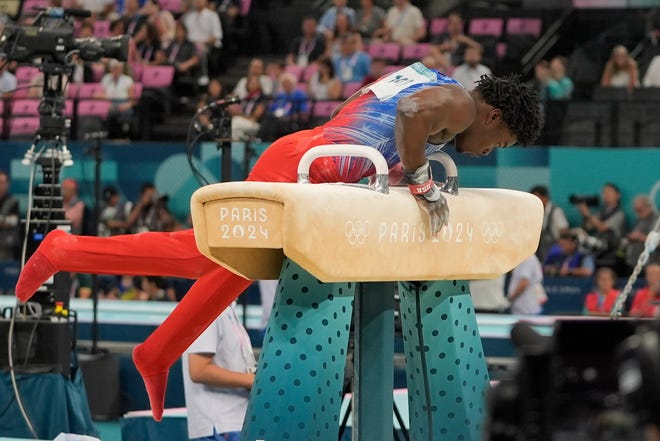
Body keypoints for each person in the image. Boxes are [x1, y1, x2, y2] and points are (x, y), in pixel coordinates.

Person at [15, 65, 543, 420]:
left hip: (317, 166)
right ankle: (63, 250)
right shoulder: (458, 104)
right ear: (494, 116)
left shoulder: (440, 86)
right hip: (303, 169)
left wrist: (404, 175)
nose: (488, 150)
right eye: (502, 142)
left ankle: (158, 350)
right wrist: (422, 180)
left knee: (234, 269)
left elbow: (383, 119)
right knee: (203, 254)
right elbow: (405, 117)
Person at [182, 304, 256, 441]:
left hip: (235, 421)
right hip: (220, 425)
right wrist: (255, 381)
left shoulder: (227, 309)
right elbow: (199, 370)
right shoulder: (208, 308)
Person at [576, 182, 627, 270]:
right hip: (599, 250)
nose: (606, 195)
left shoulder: (619, 213)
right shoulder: (602, 211)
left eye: (609, 192)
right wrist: (585, 214)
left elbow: (603, 227)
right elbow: (588, 226)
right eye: (604, 192)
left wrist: (588, 214)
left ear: (618, 195)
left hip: (612, 250)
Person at [530, 185, 569, 263]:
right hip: (541, 251)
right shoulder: (536, 212)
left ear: (545, 198)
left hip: (555, 250)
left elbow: (564, 231)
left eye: (537, 198)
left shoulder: (556, 212)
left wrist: (561, 248)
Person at [624, 195, 659, 272]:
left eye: (640, 209)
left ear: (647, 206)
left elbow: (657, 241)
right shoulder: (639, 220)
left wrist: (640, 237)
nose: (637, 211)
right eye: (636, 209)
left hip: (651, 264)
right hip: (635, 262)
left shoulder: (656, 220)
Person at [0, 170, 19, 261]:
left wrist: (3, 220)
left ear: (7, 184)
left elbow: (13, 221)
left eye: (3, 182)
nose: (1, 185)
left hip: (6, 244)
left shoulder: (13, 201)